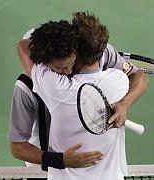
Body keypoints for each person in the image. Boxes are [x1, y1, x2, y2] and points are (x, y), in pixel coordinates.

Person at [27, 18, 128, 180]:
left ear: (74, 52)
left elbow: (23, 46)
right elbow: (140, 77)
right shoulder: (119, 80)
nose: (66, 71)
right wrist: (125, 104)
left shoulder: (55, 87)